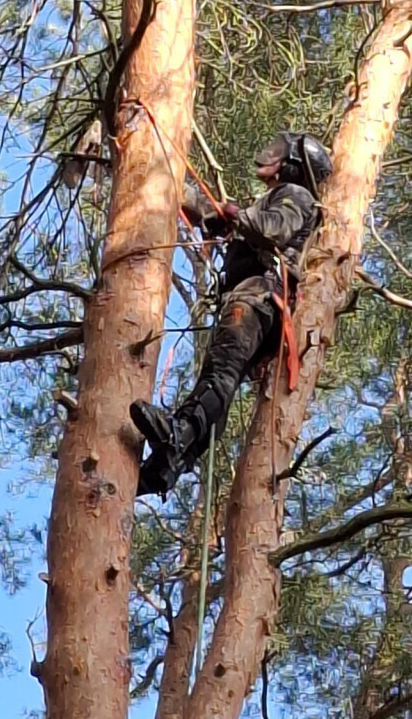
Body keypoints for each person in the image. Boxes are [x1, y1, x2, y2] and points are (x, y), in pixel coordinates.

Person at [130, 131, 333, 498]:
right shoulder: (276, 200)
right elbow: (215, 215)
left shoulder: (296, 196)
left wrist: (239, 216)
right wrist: (174, 186)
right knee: (221, 380)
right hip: (258, 305)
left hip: (258, 297)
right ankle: (167, 466)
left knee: (220, 372)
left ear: (292, 166)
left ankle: (179, 433)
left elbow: (271, 228)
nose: (269, 159)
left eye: (279, 154)